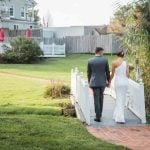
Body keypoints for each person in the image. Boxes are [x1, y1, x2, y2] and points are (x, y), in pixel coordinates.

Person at [87, 47, 110, 122]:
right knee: (101, 98)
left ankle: (98, 116)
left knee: (96, 99)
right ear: (99, 52)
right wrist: (108, 81)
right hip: (102, 82)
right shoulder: (105, 60)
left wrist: (89, 82)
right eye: (102, 52)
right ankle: (100, 114)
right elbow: (107, 72)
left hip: (94, 82)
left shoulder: (90, 61)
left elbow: (89, 73)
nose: (103, 53)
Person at [110, 50, 129, 124]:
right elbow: (128, 75)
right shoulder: (126, 63)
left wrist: (109, 81)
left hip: (118, 82)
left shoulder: (114, 63)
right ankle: (116, 115)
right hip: (125, 82)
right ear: (123, 56)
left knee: (119, 98)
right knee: (122, 99)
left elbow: (112, 74)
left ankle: (120, 118)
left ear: (117, 55)